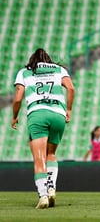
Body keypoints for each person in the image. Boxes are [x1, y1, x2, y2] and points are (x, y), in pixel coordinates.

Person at [11, 48, 75, 209]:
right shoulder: (59, 69)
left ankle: (43, 196)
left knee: (39, 157)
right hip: (58, 114)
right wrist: (69, 109)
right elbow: (71, 88)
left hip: (37, 113)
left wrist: (14, 116)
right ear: (48, 59)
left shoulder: (24, 72)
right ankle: (51, 187)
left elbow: (18, 98)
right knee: (51, 153)